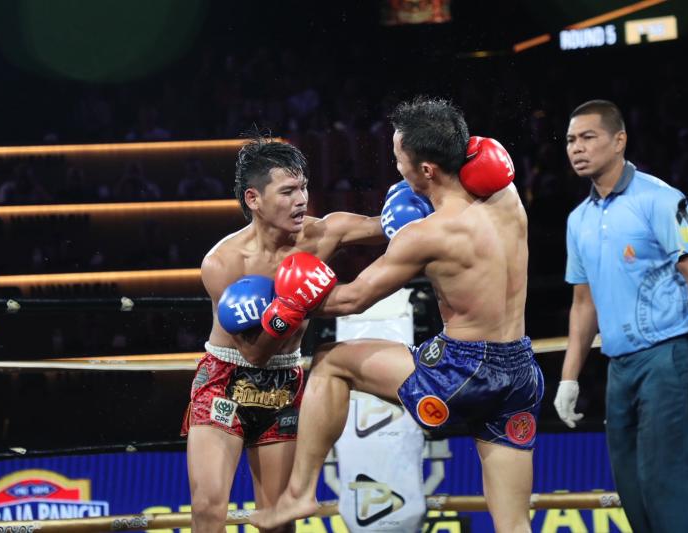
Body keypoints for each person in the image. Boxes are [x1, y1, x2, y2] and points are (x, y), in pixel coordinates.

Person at [251, 96, 541, 533]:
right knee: (514, 524)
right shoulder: (507, 196)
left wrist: (286, 299)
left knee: (331, 361)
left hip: (462, 372)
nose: (396, 167)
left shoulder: (425, 235)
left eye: (398, 158)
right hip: (520, 372)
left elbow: (352, 300)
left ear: (425, 169)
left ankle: (299, 495)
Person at [182, 136, 406, 532]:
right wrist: (292, 306)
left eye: (303, 187)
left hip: (285, 380)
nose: (301, 200)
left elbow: (385, 227)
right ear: (254, 198)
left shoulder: (323, 234)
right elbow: (253, 355)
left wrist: (424, 195)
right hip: (225, 380)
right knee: (208, 508)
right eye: (288, 191)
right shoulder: (223, 263)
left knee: (278, 521)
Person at [553, 99, 688, 533]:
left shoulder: (661, 199)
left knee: (666, 491)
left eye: (588, 137)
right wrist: (568, 378)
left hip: (669, 358)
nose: (576, 148)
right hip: (619, 368)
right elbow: (583, 303)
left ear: (619, 140)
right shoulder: (578, 220)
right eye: (571, 140)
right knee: (633, 494)